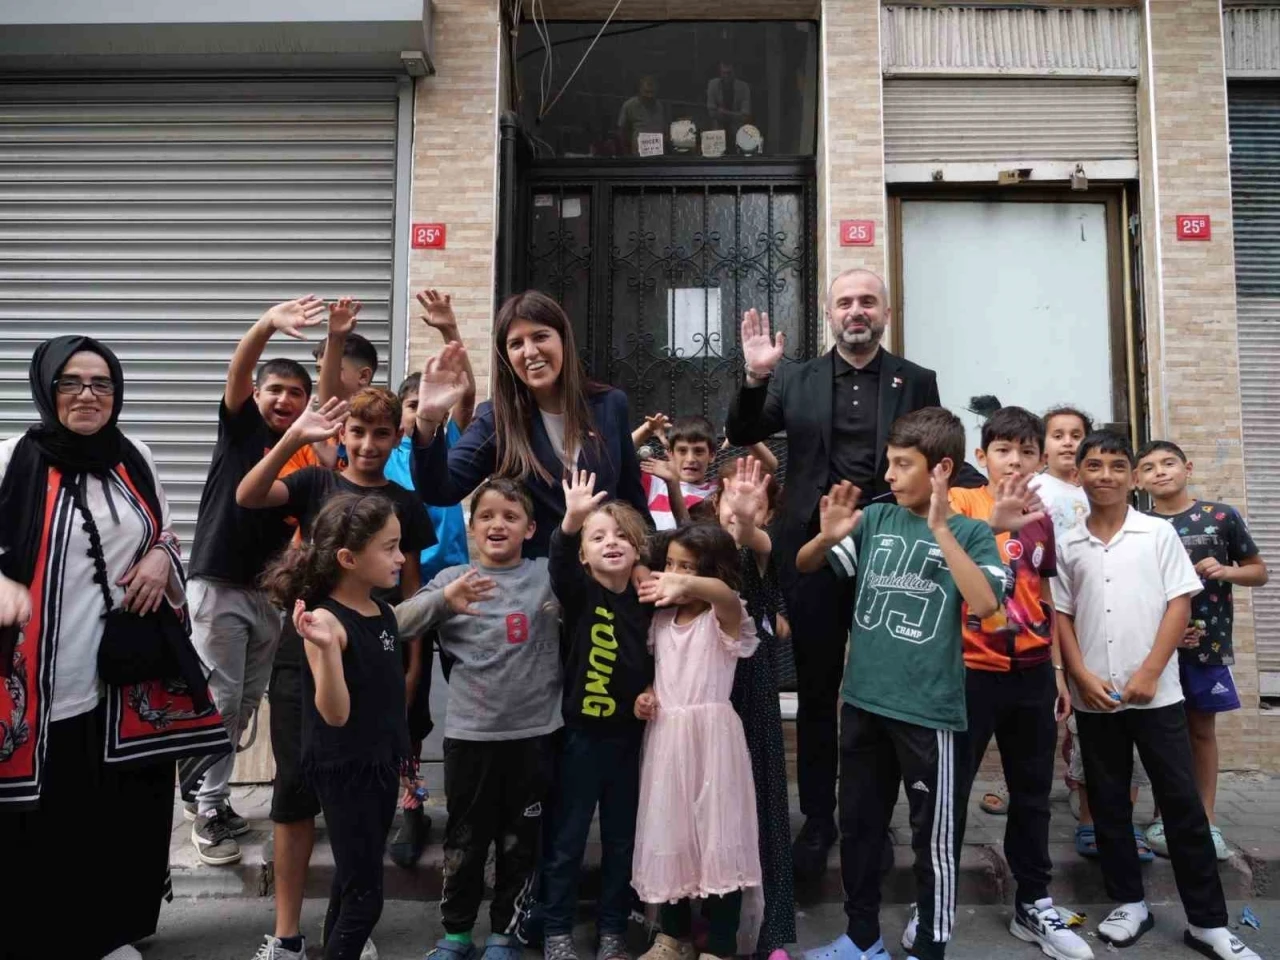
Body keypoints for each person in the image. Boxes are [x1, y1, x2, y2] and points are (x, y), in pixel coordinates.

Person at [0, 336, 230, 960]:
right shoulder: (13, 459)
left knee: (122, 812)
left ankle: (108, 932)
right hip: (37, 678)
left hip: (128, 675)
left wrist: (158, 558)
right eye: (71, 382)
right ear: (47, 388)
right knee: (46, 816)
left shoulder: (134, 456)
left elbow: (163, 532)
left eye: (101, 383)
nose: (87, 395)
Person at [725, 269, 940, 880]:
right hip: (811, 550)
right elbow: (742, 431)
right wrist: (755, 377)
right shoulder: (796, 378)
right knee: (818, 692)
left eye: (867, 301)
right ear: (829, 313)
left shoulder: (916, 379)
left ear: (886, 313)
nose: (856, 310)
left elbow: (935, 455)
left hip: (889, 549)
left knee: (885, 692)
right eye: (845, 302)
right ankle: (818, 821)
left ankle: (873, 819)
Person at [796, 407, 1005, 960]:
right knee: (859, 827)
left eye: (902, 464)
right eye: (889, 462)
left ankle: (931, 945)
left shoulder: (972, 532)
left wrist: (940, 530)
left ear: (942, 469)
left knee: (932, 839)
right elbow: (806, 564)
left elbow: (988, 605)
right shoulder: (876, 519)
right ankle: (861, 939)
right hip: (863, 702)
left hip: (928, 711)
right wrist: (824, 539)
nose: (888, 475)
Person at [237, 387, 435, 960]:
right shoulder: (317, 483)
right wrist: (294, 439)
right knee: (297, 793)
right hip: (311, 664)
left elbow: (409, 596)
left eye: (382, 433)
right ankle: (288, 934)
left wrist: (413, 663)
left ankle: (342, 933)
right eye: (357, 431)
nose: (368, 444)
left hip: (368, 719)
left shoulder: (400, 521)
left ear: (398, 437)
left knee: (359, 853)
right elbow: (249, 494)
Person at [1053, 431, 1260, 960]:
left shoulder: (1157, 533)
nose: (1105, 475)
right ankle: (1129, 903)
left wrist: (1150, 671)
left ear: (1132, 477)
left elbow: (1178, 604)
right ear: (1078, 474)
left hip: (1158, 695)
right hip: (1096, 698)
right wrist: (1078, 675)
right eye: (1093, 465)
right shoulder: (1068, 542)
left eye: (1116, 465)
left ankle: (1208, 923)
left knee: (1182, 804)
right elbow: (1063, 615)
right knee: (1108, 803)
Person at [941, 407, 1092, 960]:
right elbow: (940, 561)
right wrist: (992, 523)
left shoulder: (1041, 517)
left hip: (1031, 673)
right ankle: (936, 903)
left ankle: (1034, 902)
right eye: (1003, 450)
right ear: (982, 456)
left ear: (1040, 459)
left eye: (1027, 452)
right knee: (951, 793)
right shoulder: (960, 502)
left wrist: (1057, 671)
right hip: (968, 669)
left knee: (1032, 794)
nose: (1015, 461)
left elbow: (1043, 596)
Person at [184, 296, 327, 867]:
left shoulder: (308, 454)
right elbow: (239, 369)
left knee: (243, 704)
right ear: (257, 395)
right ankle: (205, 807)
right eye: (275, 390)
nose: (284, 400)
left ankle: (209, 796)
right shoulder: (242, 430)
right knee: (221, 700)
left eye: (295, 393)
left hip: (267, 595)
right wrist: (266, 324)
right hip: (218, 583)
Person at [397, 479, 563, 960]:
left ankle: (503, 936)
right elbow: (398, 622)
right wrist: (444, 599)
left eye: (510, 516)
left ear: (530, 528)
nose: (497, 524)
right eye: (487, 515)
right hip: (471, 736)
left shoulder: (547, 574)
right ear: (471, 527)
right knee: (464, 840)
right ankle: (456, 935)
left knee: (520, 843)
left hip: (535, 735)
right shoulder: (454, 576)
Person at [261, 493, 413, 960]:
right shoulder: (326, 621)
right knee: (365, 899)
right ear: (348, 559)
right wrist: (326, 651)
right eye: (390, 548)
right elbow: (335, 714)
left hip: (379, 766)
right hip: (346, 771)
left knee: (352, 883)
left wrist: (405, 764)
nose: (401, 558)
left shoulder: (382, 613)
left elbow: (389, 699)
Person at [411, 290, 652, 558]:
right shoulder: (496, 420)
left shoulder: (610, 404)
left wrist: (646, 563)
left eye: (540, 337)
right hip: (537, 576)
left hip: (608, 573)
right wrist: (427, 420)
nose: (530, 352)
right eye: (516, 344)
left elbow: (631, 497)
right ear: (506, 356)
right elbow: (440, 491)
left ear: (563, 339)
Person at [632, 522, 763, 960]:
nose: (672, 575)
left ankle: (720, 946)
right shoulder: (660, 621)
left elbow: (724, 595)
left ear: (711, 570)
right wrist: (647, 697)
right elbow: (660, 676)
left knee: (718, 838)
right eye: (668, 564)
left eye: (686, 567)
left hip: (714, 745)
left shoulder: (723, 616)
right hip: (667, 741)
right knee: (669, 833)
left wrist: (684, 582)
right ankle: (673, 936)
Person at [1137, 440, 1268, 860]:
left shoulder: (1221, 516)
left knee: (1200, 732)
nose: (1160, 471)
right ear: (1138, 480)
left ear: (1187, 468)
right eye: (1149, 467)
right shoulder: (1138, 524)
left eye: (1168, 463)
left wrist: (1226, 570)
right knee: (1162, 735)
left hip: (1207, 646)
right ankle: (1164, 817)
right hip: (1154, 648)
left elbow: (1259, 572)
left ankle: (1206, 820)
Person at [541, 472, 654, 960]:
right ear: (585, 556)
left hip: (629, 742)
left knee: (621, 842)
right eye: (599, 537)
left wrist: (650, 690)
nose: (612, 542)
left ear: (638, 549)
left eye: (622, 536)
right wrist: (571, 523)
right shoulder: (581, 592)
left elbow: (661, 659)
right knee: (566, 840)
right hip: (579, 741)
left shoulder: (649, 600)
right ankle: (556, 929)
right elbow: (560, 563)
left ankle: (612, 930)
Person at [383, 289, 477, 867]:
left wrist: (449, 331)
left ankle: (470, 803)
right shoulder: (385, 454)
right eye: (413, 403)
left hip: (459, 585)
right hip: (405, 589)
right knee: (410, 703)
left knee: (469, 691)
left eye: (428, 400)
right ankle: (411, 802)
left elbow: (466, 395)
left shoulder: (455, 446)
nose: (423, 409)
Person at [715, 457, 796, 960]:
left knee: (764, 807)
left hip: (755, 695)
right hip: (706, 695)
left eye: (755, 504)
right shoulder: (698, 552)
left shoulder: (763, 552)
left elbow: (755, 541)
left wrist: (747, 525)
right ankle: (707, 925)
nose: (740, 509)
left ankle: (773, 933)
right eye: (731, 499)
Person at [633, 413, 720, 530]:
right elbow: (614, 459)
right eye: (682, 451)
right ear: (671, 454)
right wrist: (646, 429)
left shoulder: (716, 492)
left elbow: (692, 534)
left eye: (698, 451)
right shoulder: (654, 483)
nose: (690, 459)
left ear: (712, 455)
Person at [618, 75, 667, 155]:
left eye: (652, 92)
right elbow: (622, 130)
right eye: (647, 92)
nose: (649, 95)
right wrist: (625, 152)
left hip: (658, 153)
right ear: (640, 90)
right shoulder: (629, 105)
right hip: (637, 154)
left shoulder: (659, 106)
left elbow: (664, 129)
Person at [706, 61, 751, 136]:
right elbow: (711, 112)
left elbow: (745, 115)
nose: (726, 76)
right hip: (717, 132)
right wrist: (735, 115)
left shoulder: (743, 87)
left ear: (734, 72)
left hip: (737, 131)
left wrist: (724, 112)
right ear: (720, 72)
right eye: (724, 73)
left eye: (729, 73)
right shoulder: (713, 84)